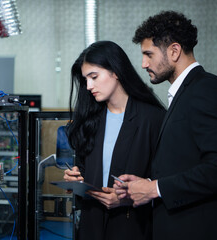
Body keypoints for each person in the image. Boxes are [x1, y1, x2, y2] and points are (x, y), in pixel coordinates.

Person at [114, 11, 217, 240]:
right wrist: (148, 184)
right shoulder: (187, 92)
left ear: (174, 51)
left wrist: (155, 189)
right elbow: (186, 163)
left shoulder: (207, 89)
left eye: (148, 54)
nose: (143, 64)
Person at [64, 40, 165, 240]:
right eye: (86, 79)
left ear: (116, 71)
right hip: (91, 226)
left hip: (133, 227)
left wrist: (128, 198)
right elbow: (85, 169)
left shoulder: (153, 119)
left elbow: (166, 182)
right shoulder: (90, 120)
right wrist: (75, 179)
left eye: (94, 77)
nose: (88, 86)